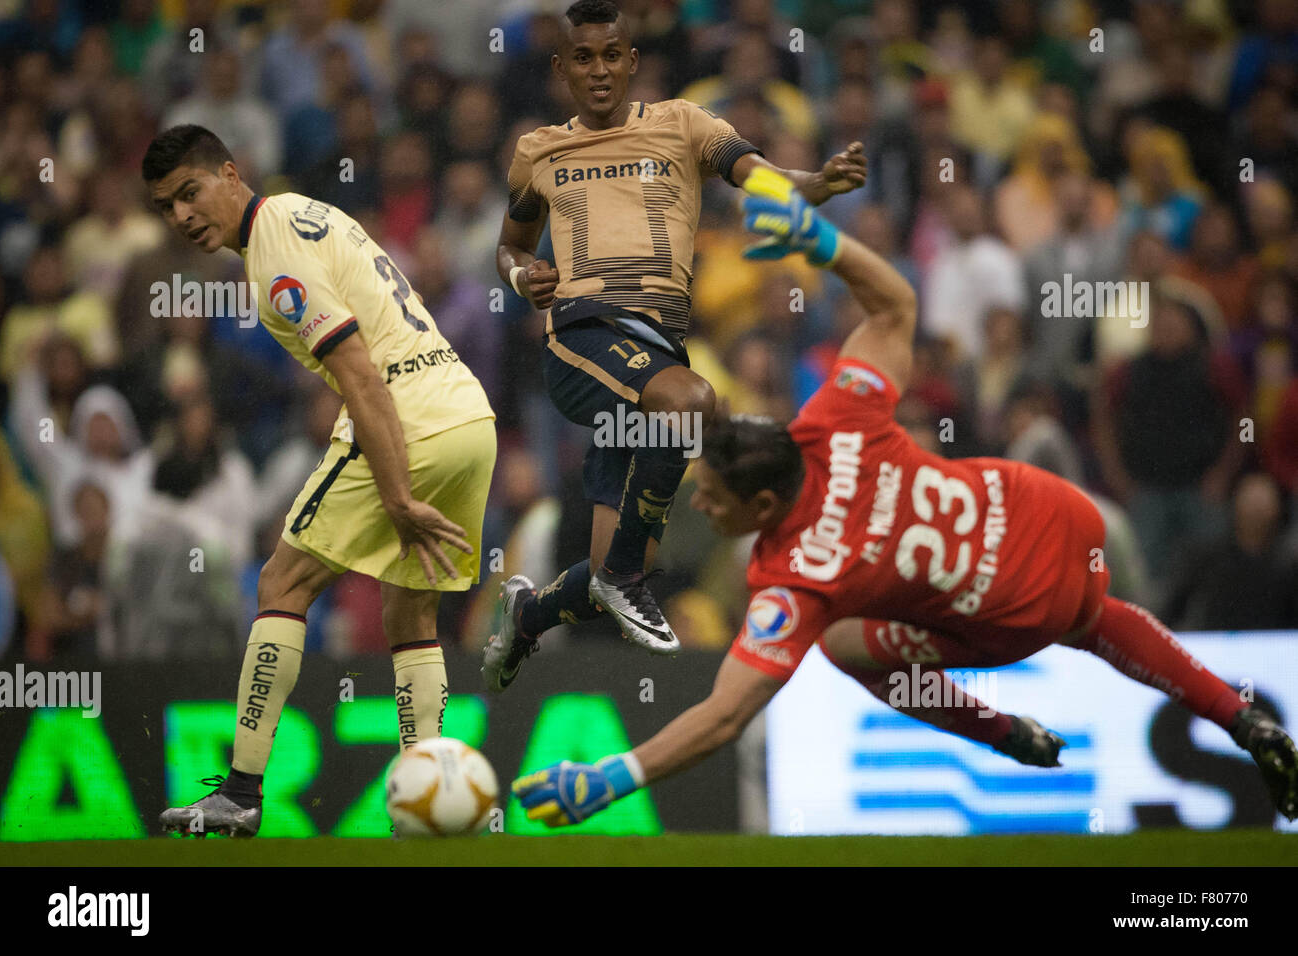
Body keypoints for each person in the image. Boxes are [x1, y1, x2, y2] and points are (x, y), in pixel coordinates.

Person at [511, 167, 1298, 828]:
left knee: (852, 644)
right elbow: (895, 307)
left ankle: (1001, 734)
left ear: (759, 510)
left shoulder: (797, 580)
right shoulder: (833, 417)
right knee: (1095, 615)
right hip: (1053, 509)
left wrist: (610, 778)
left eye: (713, 499)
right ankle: (1242, 714)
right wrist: (825, 243)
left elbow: (724, 715)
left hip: (1022, 608)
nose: (703, 509)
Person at [484, 0, 866, 690]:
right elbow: (510, 246)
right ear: (561, 66)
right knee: (693, 403)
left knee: (607, 565)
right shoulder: (538, 150)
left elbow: (755, 173)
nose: (598, 71)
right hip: (582, 339)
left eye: (611, 56)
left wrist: (810, 185)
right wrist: (522, 275)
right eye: (583, 58)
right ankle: (629, 578)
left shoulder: (683, 124)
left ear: (632, 61)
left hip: (650, 360)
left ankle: (530, 614)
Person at [141, 125, 496, 836]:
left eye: (190, 192)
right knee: (411, 615)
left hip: (408, 418)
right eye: (166, 207)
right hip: (468, 419)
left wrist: (396, 495)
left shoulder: (273, 254)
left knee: (282, 584)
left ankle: (240, 791)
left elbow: (359, 373)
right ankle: (433, 801)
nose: (181, 215)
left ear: (231, 173)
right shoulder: (307, 212)